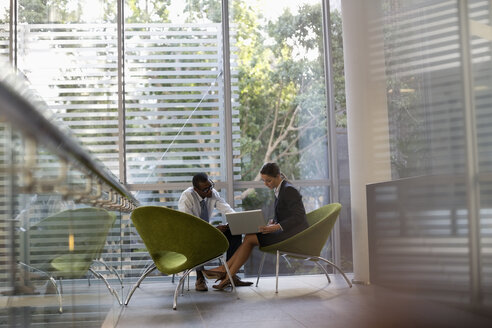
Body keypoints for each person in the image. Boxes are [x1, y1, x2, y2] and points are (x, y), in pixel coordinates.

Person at [202, 162, 309, 290]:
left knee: (250, 238)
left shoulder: (288, 189)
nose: (266, 184)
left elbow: (299, 217)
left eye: (268, 180)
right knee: (250, 236)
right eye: (264, 181)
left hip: (292, 235)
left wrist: (274, 227)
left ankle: (225, 272)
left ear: (278, 176)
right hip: (285, 232)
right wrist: (273, 222)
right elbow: (285, 214)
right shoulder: (280, 189)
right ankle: (226, 275)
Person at [178, 172, 253, 291]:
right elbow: (188, 225)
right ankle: (200, 277)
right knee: (197, 238)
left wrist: (235, 221)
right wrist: (213, 229)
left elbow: (227, 209)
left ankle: (230, 274)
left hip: (208, 232)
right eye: (205, 189)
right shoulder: (187, 196)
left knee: (234, 231)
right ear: (196, 189)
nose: (210, 191)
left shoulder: (212, 193)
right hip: (191, 235)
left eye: (211, 186)